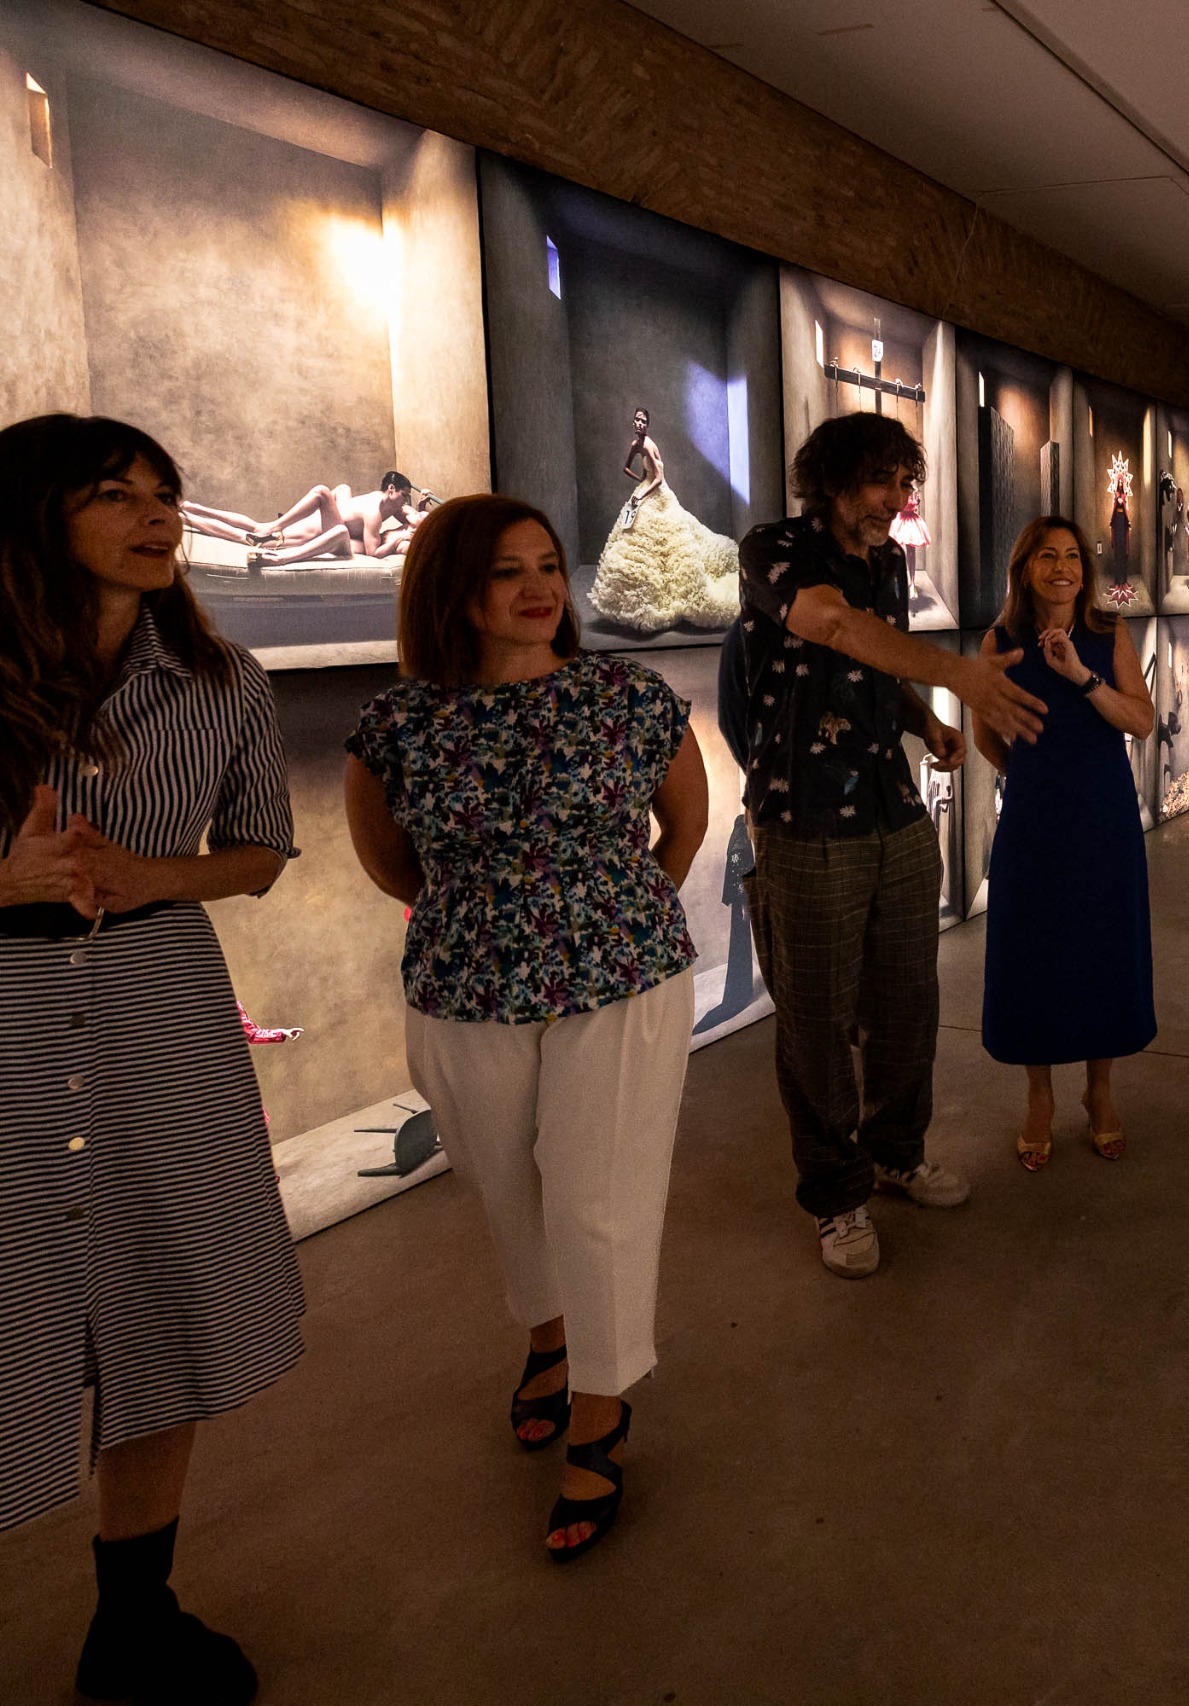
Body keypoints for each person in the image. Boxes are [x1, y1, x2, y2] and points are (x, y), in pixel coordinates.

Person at [0, 414, 304, 1705]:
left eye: (165, 491)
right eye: (115, 493)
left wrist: (152, 875)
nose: (156, 514)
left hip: (159, 1007)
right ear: (36, 515)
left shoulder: (224, 681)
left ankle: (133, 1616)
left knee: (161, 1297)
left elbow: (261, 846)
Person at [344, 494, 708, 1563]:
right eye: (507, 570)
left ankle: (601, 1410)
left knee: (601, 1202)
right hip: (463, 988)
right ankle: (547, 1338)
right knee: (505, 1186)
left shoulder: (628, 698)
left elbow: (684, 822)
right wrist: (488, 917)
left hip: (621, 978)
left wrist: (614, 913)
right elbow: (390, 863)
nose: (540, 586)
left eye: (548, 564)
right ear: (452, 590)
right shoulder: (399, 723)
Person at [727, 410, 1046, 1276]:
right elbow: (833, 628)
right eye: (880, 481)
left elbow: (876, 660)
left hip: (892, 811)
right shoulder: (774, 550)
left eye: (905, 484)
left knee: (907, 1001)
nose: (895, 500)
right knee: (817, 1020)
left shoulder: (891, 564)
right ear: (831, 479)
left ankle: (896, 1154)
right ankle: (837, 1196)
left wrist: (925, 720)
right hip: (804, 819)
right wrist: (962, 677)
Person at [974, 517, 1158, 1169]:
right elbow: (984, 731)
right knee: (1035, 954)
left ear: (1086, 570)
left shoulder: (1109, 633)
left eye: (1074, 556)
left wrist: (1082, 677)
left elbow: (1143, 720)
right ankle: (1040, 1096)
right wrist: (1030, 775)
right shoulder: (1001, 640)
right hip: (1034, 823)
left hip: (1105, 819)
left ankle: (1099, 1092)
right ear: (1026, 569)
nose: (1063, 568)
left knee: (1103, 950)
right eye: (1048, 556)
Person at [591, 407, 743, 633]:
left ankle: (667, 594)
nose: (639, 424)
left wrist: (643, 491)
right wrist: (642, 480)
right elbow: (626, 468)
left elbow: (659, 479)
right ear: (633, 423)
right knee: (639, 542)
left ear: (648, 424)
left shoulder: (648, 445)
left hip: (658, 494)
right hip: (646, 490)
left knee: (673, 540)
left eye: (643, 421)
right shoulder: (635, 445)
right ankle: (642, 600)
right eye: (637, 420)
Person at [182, 470, 426, 563]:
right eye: (404, 496)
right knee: (257, 530)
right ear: (391, 490)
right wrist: (400, 535)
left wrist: (422, 505)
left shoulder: (390, 507)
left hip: (329, 529)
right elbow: (375, 549)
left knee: (254, 531)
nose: (406, 503)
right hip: (323, 528)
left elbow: (415, 518)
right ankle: (191, 512)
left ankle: (190, 514)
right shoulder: (374, 512)